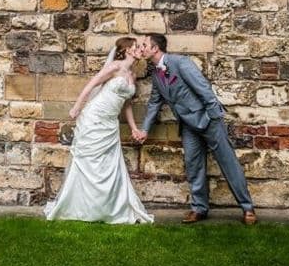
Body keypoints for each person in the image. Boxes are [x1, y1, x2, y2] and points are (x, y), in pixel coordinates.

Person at [133, 34, 257, 225]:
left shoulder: (181, 63)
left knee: (228, 162)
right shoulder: (156, 74)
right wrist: (144, 130)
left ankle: (247, 208)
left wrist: (213, 116)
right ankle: (199, 208)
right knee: (193, 165)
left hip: (208, 120)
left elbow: (203, 88)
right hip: (188, 125)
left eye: (144, 45)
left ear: (155, 48)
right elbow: (154, 103)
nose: (141, 49)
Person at [44, 37, 153, 224]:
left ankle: (106, 207)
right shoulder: (114, 67)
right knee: (88, 162)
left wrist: (134, 128)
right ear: (127, 50)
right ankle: (81, 206)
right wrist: (77, 107)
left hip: (110, 123)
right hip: (94, 117)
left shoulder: (132, 75)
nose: (139, 50)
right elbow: (92, 84)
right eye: (136, 47)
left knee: (107, 166)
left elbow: (127, 105)